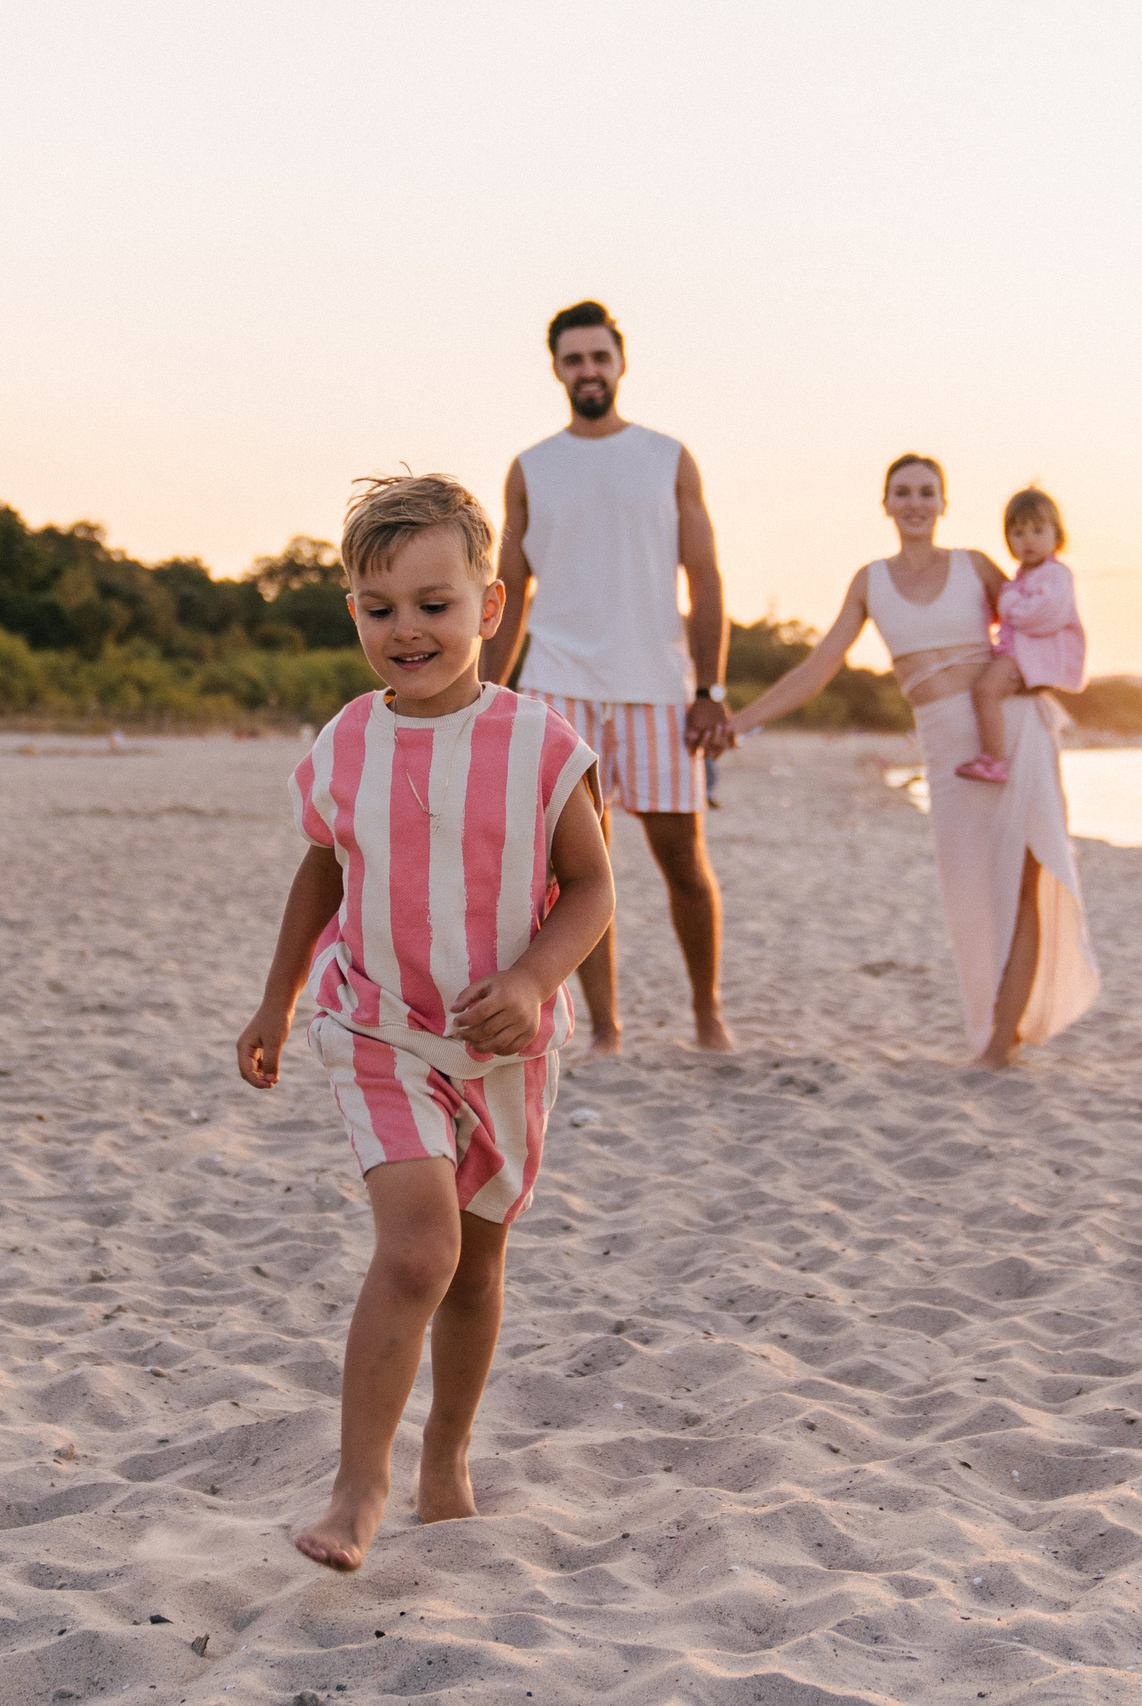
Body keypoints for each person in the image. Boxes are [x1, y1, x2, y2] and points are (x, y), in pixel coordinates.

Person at [235, 474, 614, 1571]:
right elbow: (324, 866)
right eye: (379, 606)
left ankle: (447, 1454)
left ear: (489, 608)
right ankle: (359, 1486)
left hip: (505, 1047)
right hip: (379, 1026)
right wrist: (279, 996)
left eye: (434, 605)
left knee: (477, 1266)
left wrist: (534, 979)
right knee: (418, 1251)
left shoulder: (541, 743)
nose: (407, 629)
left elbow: (593, 888)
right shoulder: (347, 741)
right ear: (353, 611)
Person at [725, 455, 1099, 1067]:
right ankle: (994, 1029)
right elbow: (817, 669)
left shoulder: (976, 566)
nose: (916, 502)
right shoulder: (869, 582)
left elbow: (1039, 618)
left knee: (1028, 883)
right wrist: (740, 722)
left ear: (944, 502)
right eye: (903, 492)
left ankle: (1001, 1042)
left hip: (1013, 736)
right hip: (947, 753)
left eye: (927, 492)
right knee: (970, 895)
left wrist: (1047, 675)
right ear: (886, 504)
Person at [481, 300, 734, 1055]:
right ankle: (604, 1030)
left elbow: (705, 578)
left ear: (620, 363)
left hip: (658, 687)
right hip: (558, 686)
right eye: (574, 359)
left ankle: (707, 1015)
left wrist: (710, 691)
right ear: (557, 369)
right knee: (577, 870)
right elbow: (507, 592)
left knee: (684, 861)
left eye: (599, 357)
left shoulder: (668, 458)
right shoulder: (531, 467)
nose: (587, 371)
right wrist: (486, 696)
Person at [955, 486, 1087, 783]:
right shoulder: (1023, 576)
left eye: (1037, 530)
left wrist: (1008, 601)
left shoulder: (1057, 574)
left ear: (1057, 535)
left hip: (1027, 657)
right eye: (1018, 533)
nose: (1028, 540)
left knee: (985, 691)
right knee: (981, 688)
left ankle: (993, 760)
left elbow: (1042, 615)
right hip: (1017, 652)